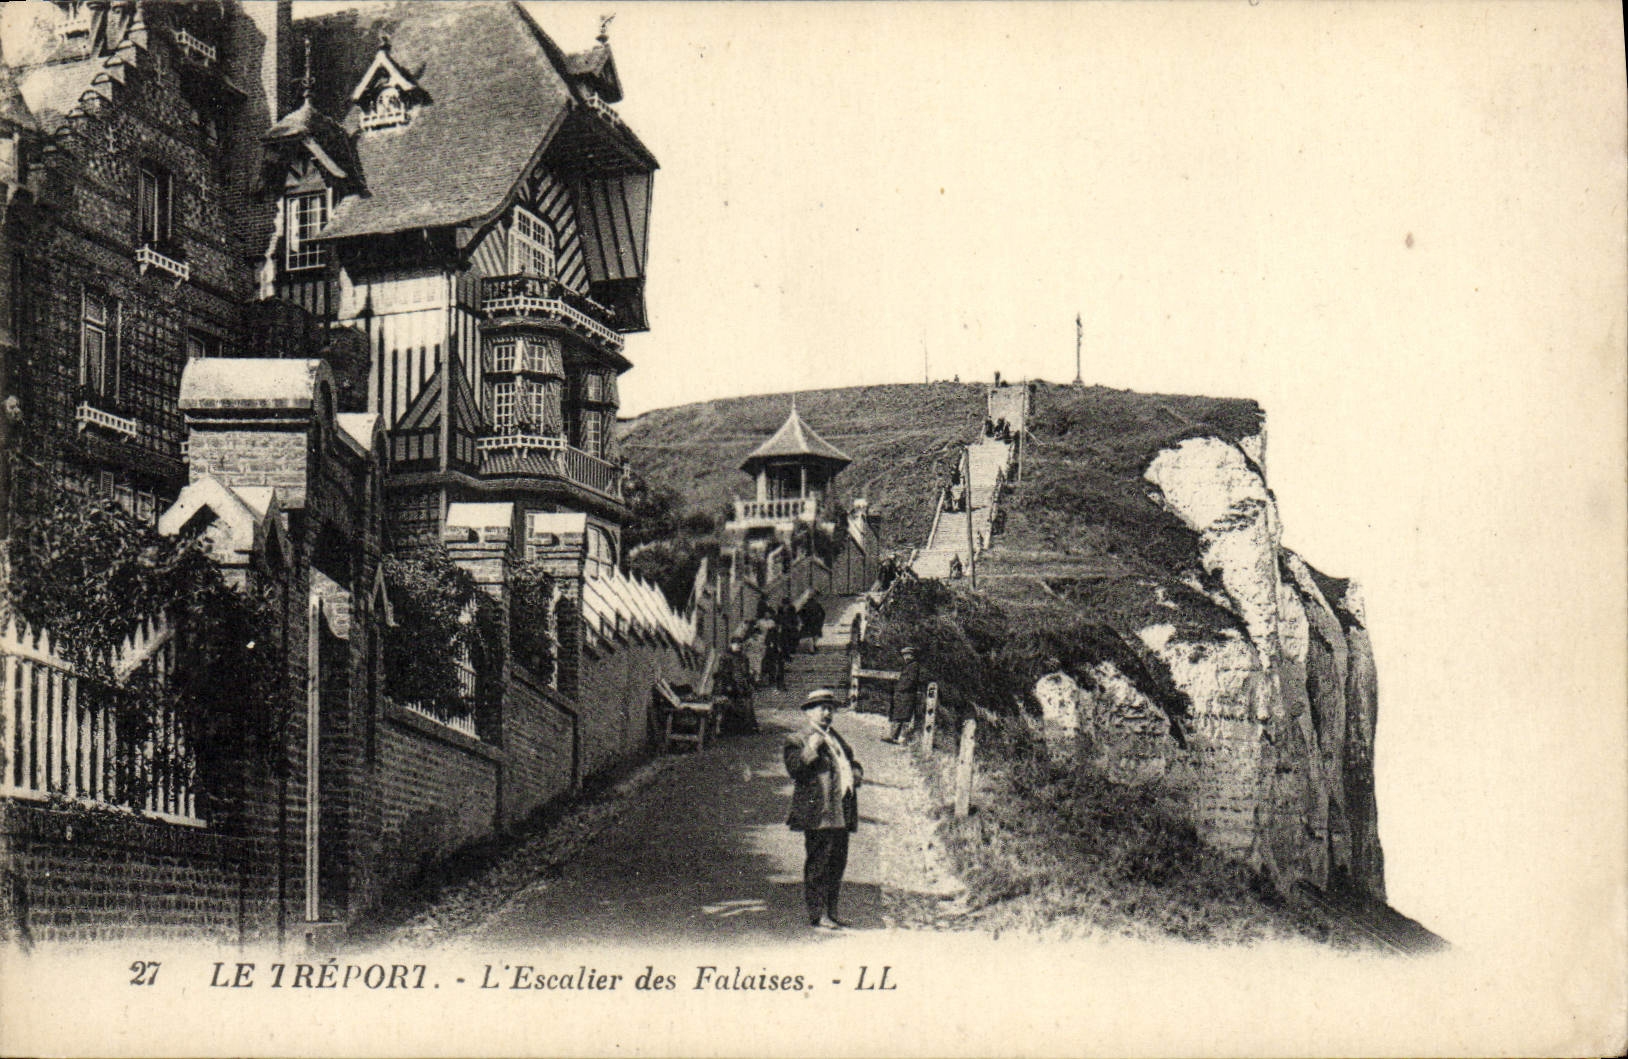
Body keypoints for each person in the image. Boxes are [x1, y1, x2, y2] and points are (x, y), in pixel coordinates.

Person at [784, 688, 863, 930]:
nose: (827, 713)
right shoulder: (798, 739)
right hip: (819, 812)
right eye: (822, 708)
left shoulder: (835, 737)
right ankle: (817, 915)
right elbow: (795, 769)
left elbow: (850, 759)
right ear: (809, 712)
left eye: (830, 709)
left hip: (841, 809)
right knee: (818, 864)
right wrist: (811, 748)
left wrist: (856, 771)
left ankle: (832, 912)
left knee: (837, 863)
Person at [716, 636, 758, 734]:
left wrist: (750, 680)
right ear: (731, 645)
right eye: (736, 644)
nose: (738, 646)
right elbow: (722, 672)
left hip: (742, 684)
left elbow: (746, 672)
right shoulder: (725, 657)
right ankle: (727, 728)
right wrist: (728, 684)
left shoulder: (744, 657)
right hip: (729, 684)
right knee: (729, 704)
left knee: (747, 702)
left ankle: (746, 727)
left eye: (740, 644)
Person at [886, 645, 920, 744]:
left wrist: (900, 689)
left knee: (904, 717)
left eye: (908, 655)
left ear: (912, 655)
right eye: (904, 655)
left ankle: (901, 739)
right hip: (902, 695)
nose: (906, 657)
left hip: (907, 695)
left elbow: (911, 681)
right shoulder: (908, 666)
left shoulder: (914, 666)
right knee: (898, 715)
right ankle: (893, 737)